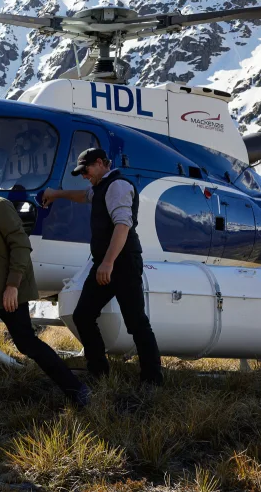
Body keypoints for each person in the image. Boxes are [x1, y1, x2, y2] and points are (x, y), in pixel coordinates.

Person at [0, 169, 89, 417]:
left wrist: (12, 285)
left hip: (8, 292)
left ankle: (77, 391)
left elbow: (21, 245)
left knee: (27, 344)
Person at [42, 148, 163, 385]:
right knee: (83, 315)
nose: (85, 176)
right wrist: (56, 194)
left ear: (99, 163)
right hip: (103, 264)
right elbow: (83, 196)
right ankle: (99, 373)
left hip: (123, 263)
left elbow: (122, 226)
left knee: (136, 322)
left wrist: (107, 263)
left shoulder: (117, 186)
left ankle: (152, 379)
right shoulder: (101, 187)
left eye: (85, 171)